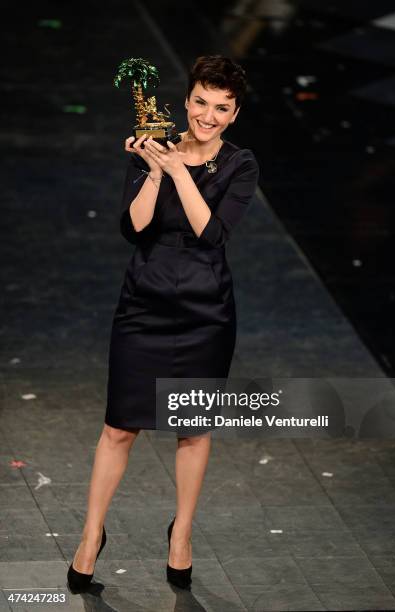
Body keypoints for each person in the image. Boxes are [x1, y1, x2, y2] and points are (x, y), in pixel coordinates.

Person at [67, 55, 259, 593]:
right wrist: (155, 169)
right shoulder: (153, 144)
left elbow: (212, 233)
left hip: (205, 311)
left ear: (234, 113)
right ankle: (89, 534)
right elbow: (134, 227)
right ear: (187, 99)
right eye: (201, 101)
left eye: (221, 107)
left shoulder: (241, 164)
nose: (208, 115)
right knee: (118, 426)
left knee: (193, 429)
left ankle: (182, 534)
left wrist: (180, 170)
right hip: (144, 302)